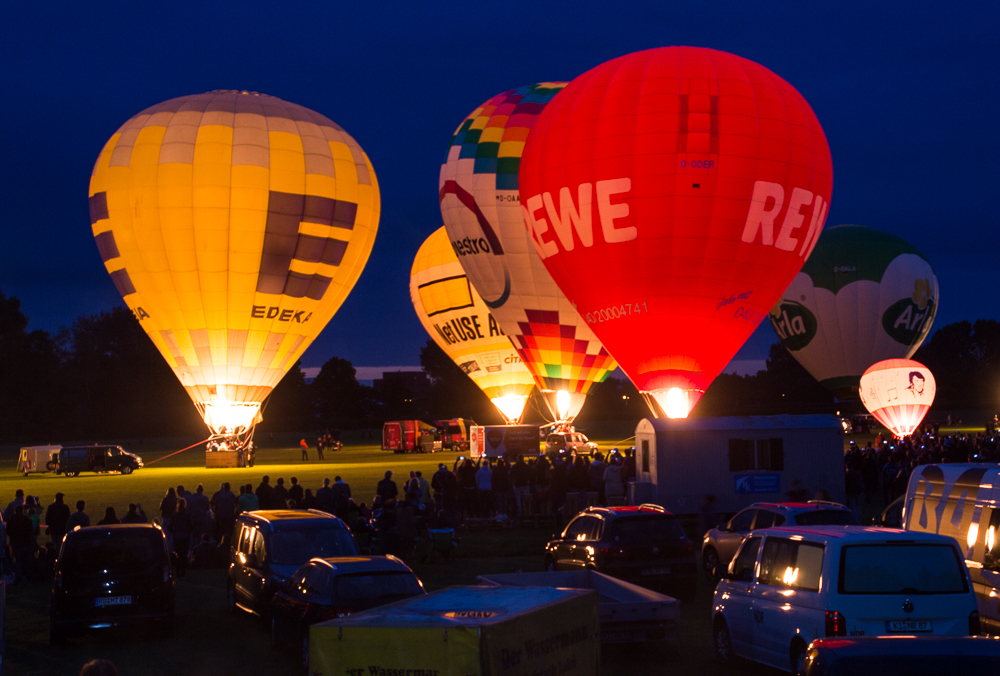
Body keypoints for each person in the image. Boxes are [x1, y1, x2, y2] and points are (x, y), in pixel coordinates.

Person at [8, 505, 35, 582]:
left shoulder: (12, 519)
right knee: (26, 559)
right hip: (25, 542)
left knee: (17, 560)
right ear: (22, 511)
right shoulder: (26, 519)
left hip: (15, 542)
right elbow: (30, 530)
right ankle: (28, 576)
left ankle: (18, 577)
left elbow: (8, 531)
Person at [169, 498, 192, 577]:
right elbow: (191, 526)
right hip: (185, 537)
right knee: (184, 555)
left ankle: (178, 571)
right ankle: (183, 572)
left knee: (177, 555)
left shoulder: (175, 515)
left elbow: (170, 527)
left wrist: (174, 532)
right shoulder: (187, 515)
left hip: (177, 537)